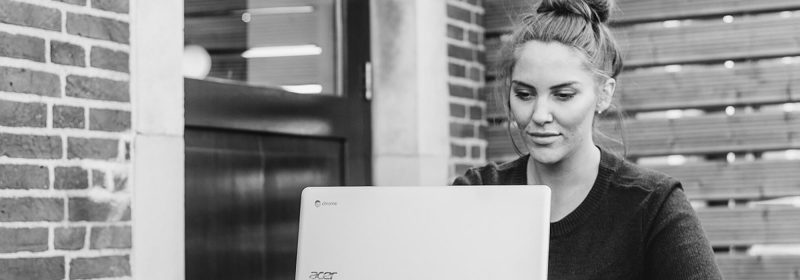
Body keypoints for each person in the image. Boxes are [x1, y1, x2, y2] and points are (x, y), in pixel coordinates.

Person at [452, 0, 723, 279]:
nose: (540, 114)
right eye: (524, 94)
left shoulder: (652, 206)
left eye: (563, 95)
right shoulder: (477, 193)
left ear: (603, 95)